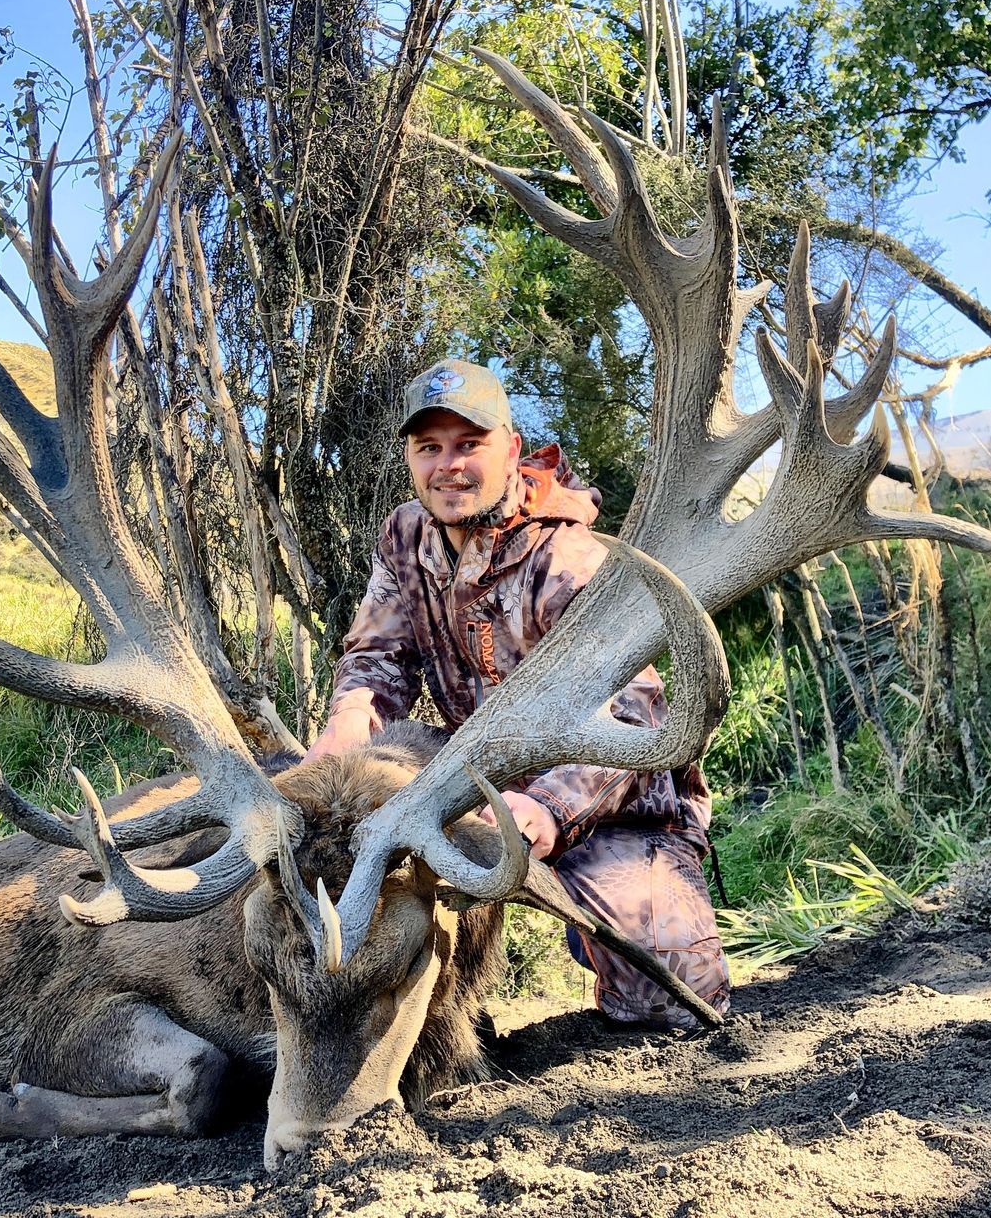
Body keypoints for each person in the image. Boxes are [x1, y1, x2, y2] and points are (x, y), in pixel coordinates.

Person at [305, 359, 730, 1029]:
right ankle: (441, 995)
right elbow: (377, 655)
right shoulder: (406, 537)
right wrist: (351, 717)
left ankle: (591, 916)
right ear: (410, 458)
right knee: (368, 791)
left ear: (510, 448)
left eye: (468, 444)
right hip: (477, 783)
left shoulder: (569, 559)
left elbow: (633, 713)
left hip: (607, 807)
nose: (449, 466)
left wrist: (546, 808)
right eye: (429, 447)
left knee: (674, 999)